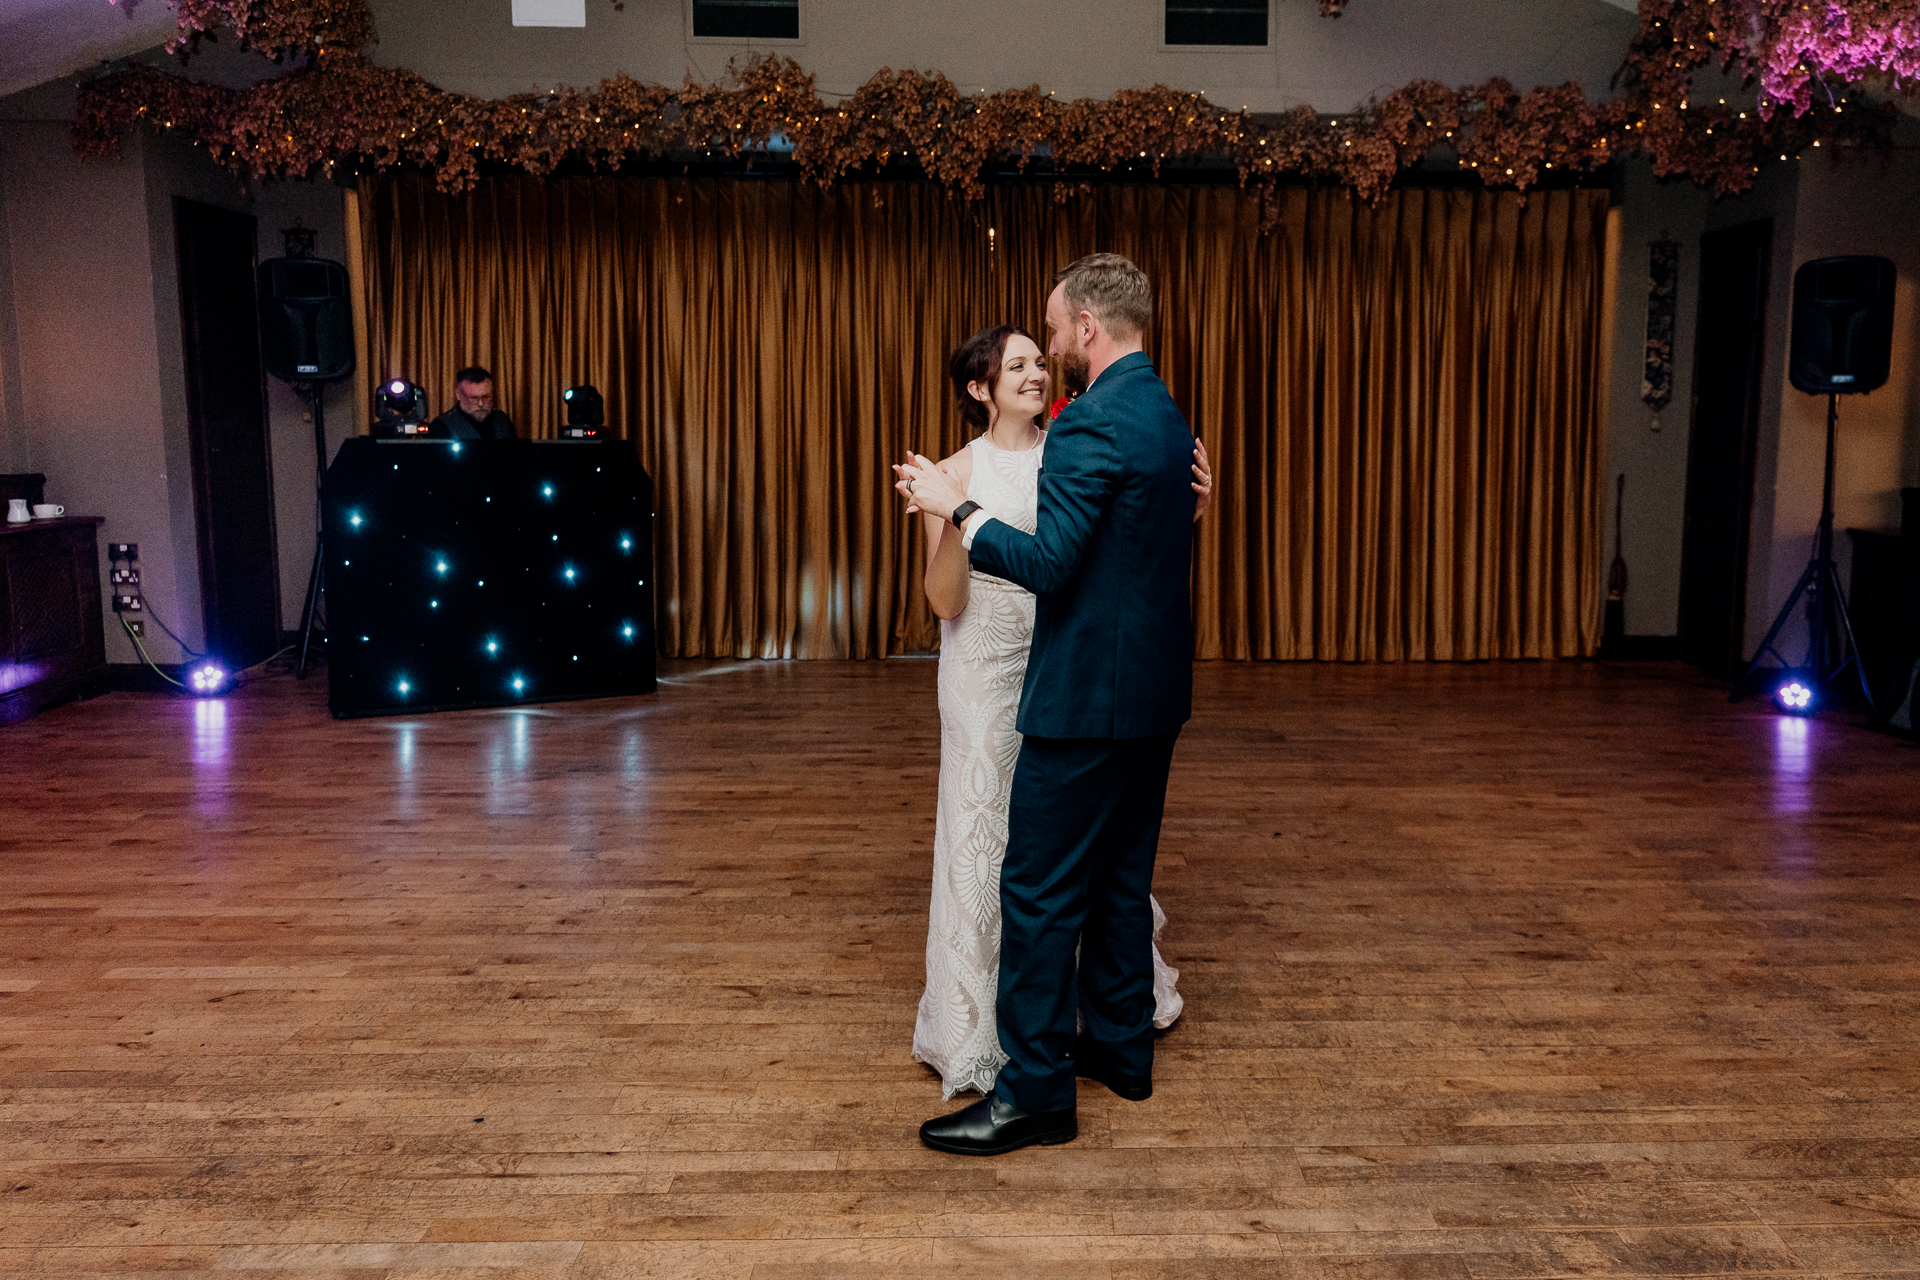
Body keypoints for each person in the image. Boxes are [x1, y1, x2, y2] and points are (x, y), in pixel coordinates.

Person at [895, 253, 1203, 1156]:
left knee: (1033, 891)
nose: (1052, 350)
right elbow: (1136, 544)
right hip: (1151, 693)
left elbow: (1053, 566)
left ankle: (1033, 1096)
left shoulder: (1087, 424)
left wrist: (963, 511)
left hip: (1081, 699)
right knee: (1117, 877)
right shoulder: (1161, 409)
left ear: (1089, 330)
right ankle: (1120, 1051)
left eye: (1057, 331)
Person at [431, 366, 517, 440]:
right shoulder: (442, 425)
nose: (481, 404)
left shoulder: (502, 421)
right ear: (458, 394)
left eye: (486, 397)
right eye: (473, 398)